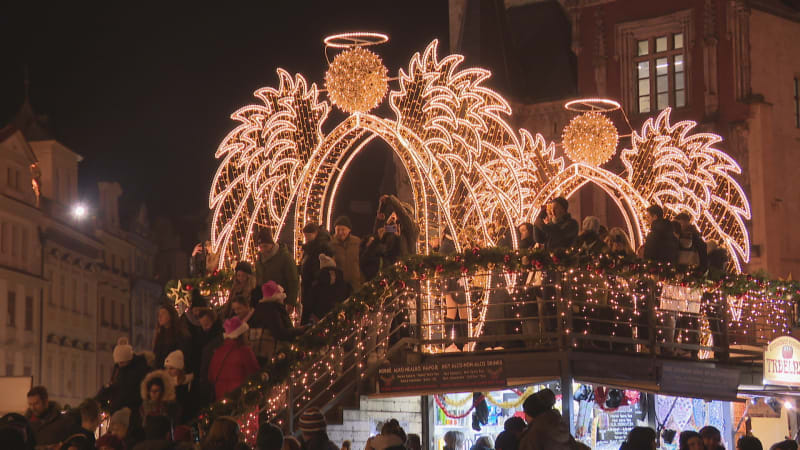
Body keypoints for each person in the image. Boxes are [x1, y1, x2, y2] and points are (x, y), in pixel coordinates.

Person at [249, 281, 309, 363]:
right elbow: (279, 332)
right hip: (273, 353)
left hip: (263, 352)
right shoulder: (272, 310)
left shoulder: (264, 308)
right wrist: (300, 330)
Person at [208, 316, 260, 399]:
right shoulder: (245, 351)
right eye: (246, 333)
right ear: (241, 335)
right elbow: (254, 374)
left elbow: (211, 376)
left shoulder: (218, 351)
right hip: (241, 398)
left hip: (221, 399)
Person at [518, 389, 587, 450]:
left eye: (526, 413)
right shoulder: (560, 427)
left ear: (533, 413)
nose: (525, 418)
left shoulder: (534, 435)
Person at [254, 228, 300, 312]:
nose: (263, 249)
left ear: (271, 244)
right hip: (264, 301)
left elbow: (293, 280)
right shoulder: (259, 260)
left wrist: (291, 302)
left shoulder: (284, 257)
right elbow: (258, 280)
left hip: (281, 300)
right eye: (261, 247)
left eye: (265, 246)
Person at [300, 223, 334, 324]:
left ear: (315, 233)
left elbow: (317, 266)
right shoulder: (310, 247)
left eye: (308, 236)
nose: (306, 239)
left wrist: (316, 279)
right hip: (309, 286)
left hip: (315, 287)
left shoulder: (320, 246)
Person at [307, 254, 351, 322]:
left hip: (320, 321)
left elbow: (310, 305)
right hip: (341, 319)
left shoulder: (316, 285)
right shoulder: (344, 283)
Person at [165, 350, 201, 424]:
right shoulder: (165, 385)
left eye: (172, 368)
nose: (168, 372)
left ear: (180, 368)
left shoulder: (191, 384)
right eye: (166, 368)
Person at [153, 304, 191, 369]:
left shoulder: (179, 334)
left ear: (171, 315)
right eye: (159, 314)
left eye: (163, 313)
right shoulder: (160, 335)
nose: (160, 316)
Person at [331, 216, 363, 291]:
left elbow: (362, 258)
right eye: (338, 230)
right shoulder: (331, 243)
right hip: (339, 284)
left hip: (355, 282)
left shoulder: (357, 242)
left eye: (343, 229)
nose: (340, 232)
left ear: (349, 230)